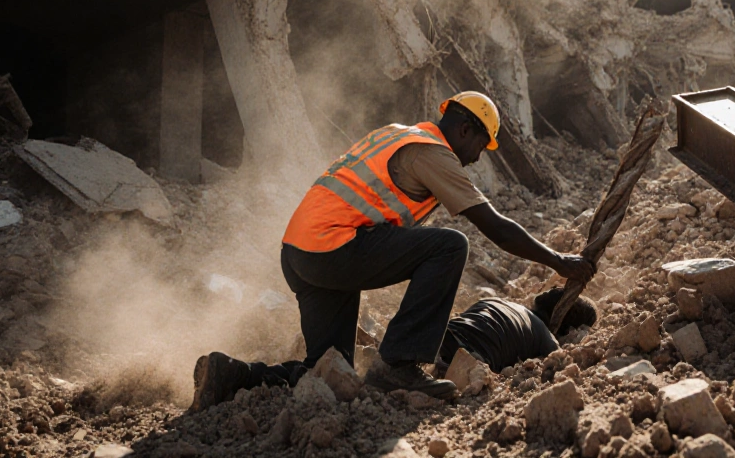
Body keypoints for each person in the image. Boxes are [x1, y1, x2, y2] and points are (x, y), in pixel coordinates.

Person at [190, 91, 595, 410]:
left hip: (301, 253)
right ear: (466, 130)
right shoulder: (433, 153)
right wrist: (560, 261)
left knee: (330, 371)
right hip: (334, 247)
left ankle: (233, 376)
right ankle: (399, 365)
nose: (474, 159)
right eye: (480, 147)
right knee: (451, 246)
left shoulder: (398, 134)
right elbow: (496, 228)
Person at [189, 288, 597, 411]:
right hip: (445, 364)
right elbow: (556, 362)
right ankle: (238, 376)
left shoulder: (495, 304)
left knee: (331, 370)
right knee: (351, 393)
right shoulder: (546, 335)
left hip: (418, 341)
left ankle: (241, 372)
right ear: (563, 323)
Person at [437, 287, 598, 374]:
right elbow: (561, 362)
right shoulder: (543, 334)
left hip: (441, 337)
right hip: (468, 357)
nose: (555, 287)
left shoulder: (495, 301)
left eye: (559, 291)